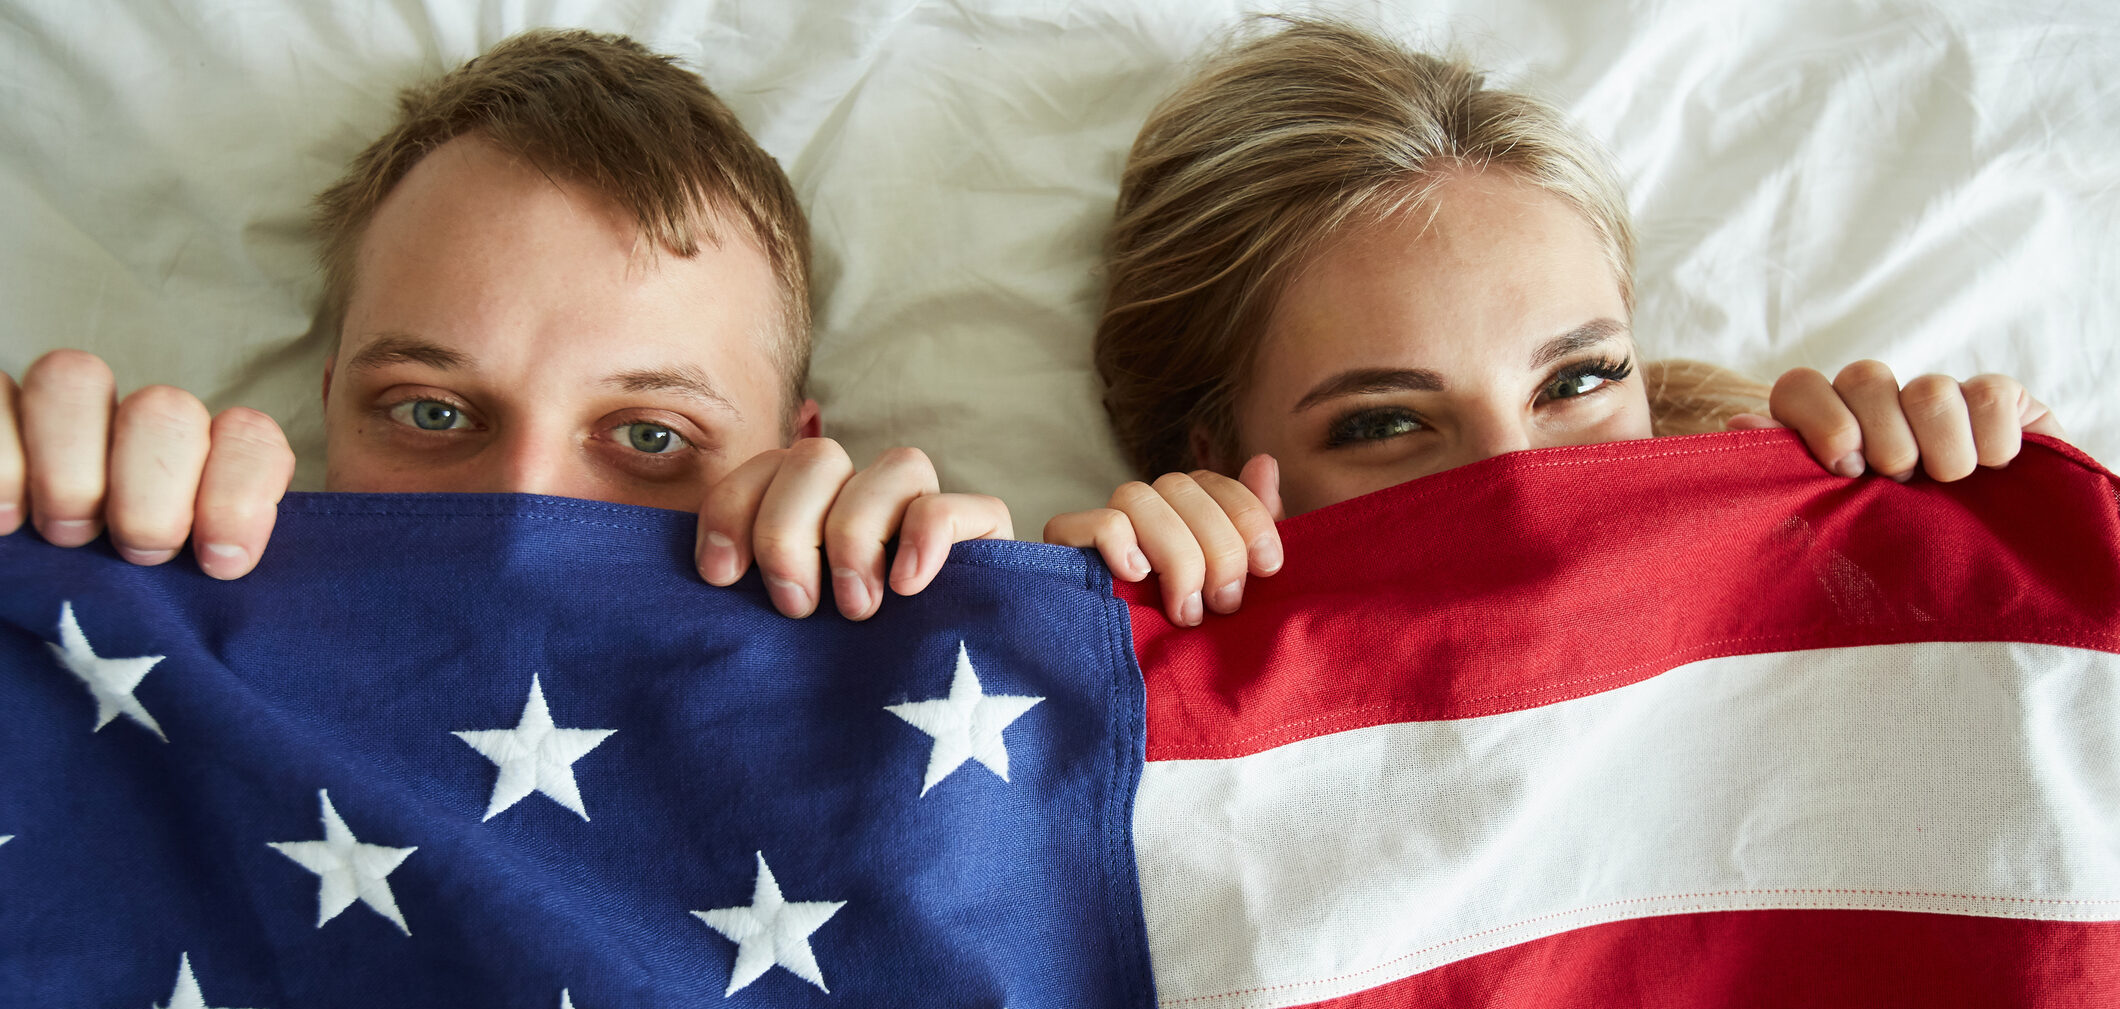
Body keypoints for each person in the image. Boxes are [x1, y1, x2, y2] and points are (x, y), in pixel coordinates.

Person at [1044, 17, 2064, 627]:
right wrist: (1089, 637)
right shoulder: (1133, 695)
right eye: (1382, 422)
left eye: (1576, 381)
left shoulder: (1832, 584)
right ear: (1212, 455)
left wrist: (2001, 547)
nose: (1517, 483)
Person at [0, 29, 1009, 622]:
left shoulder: (909, 684)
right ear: (329, 406)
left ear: (798, 453)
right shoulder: (144, 622)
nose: (519, 511)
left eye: (651, 436)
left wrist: (984, 628)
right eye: (431, 413)